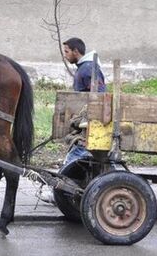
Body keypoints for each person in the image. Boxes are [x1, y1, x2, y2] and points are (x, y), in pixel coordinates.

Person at [38, 37, 106, 204]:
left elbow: (100, 97)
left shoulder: (88, 68)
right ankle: (65, 193)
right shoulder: (84, 67)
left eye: (67, 52)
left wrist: (88, 122)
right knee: (74, 156)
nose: (65, 55)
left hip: (89, 127)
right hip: (84, 125)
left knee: (74, 158)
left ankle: (58, 193)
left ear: (76, 51)